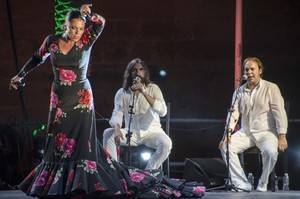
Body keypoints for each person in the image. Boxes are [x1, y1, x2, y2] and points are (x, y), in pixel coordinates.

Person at [9, 6, 205, 198]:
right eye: (72, 28)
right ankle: (57, 184)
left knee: (81, 143)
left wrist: (88, 14)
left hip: (81, 99)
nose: (76, 32)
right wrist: (20, 75)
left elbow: (101, 23)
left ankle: (82, 184)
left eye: (79, 28)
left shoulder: (86, 40)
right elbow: (37, 57)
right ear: (65, 26)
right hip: (59, 98)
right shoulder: (51, 41)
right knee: (58, 140)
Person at [219, 57, 288, 192]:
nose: (249, 72)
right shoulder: (239, 90)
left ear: (260, 71)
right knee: (225, 147)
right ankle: (241, 183)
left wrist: (282, 135)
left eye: (252, 69)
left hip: (266, 131)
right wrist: (226, 135)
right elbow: (233, 114)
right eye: (246, 69)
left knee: (271, 152)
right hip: (246, 132)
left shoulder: (271, 87)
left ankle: (263, 182)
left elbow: (279, 112)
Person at [103, 58, 172, 170]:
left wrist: (143, 91)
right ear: (130, 73)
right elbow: (117, 112)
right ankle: (113, 172)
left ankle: (148, 173)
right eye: (134, 70)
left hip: (152, 132)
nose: (138, 72)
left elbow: (163, 111)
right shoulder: (122, 92)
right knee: (108, 133)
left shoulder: (153, 88)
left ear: (145, 73)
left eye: (141, 69)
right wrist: (116, 128)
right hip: (131, 133)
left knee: (166, 143)